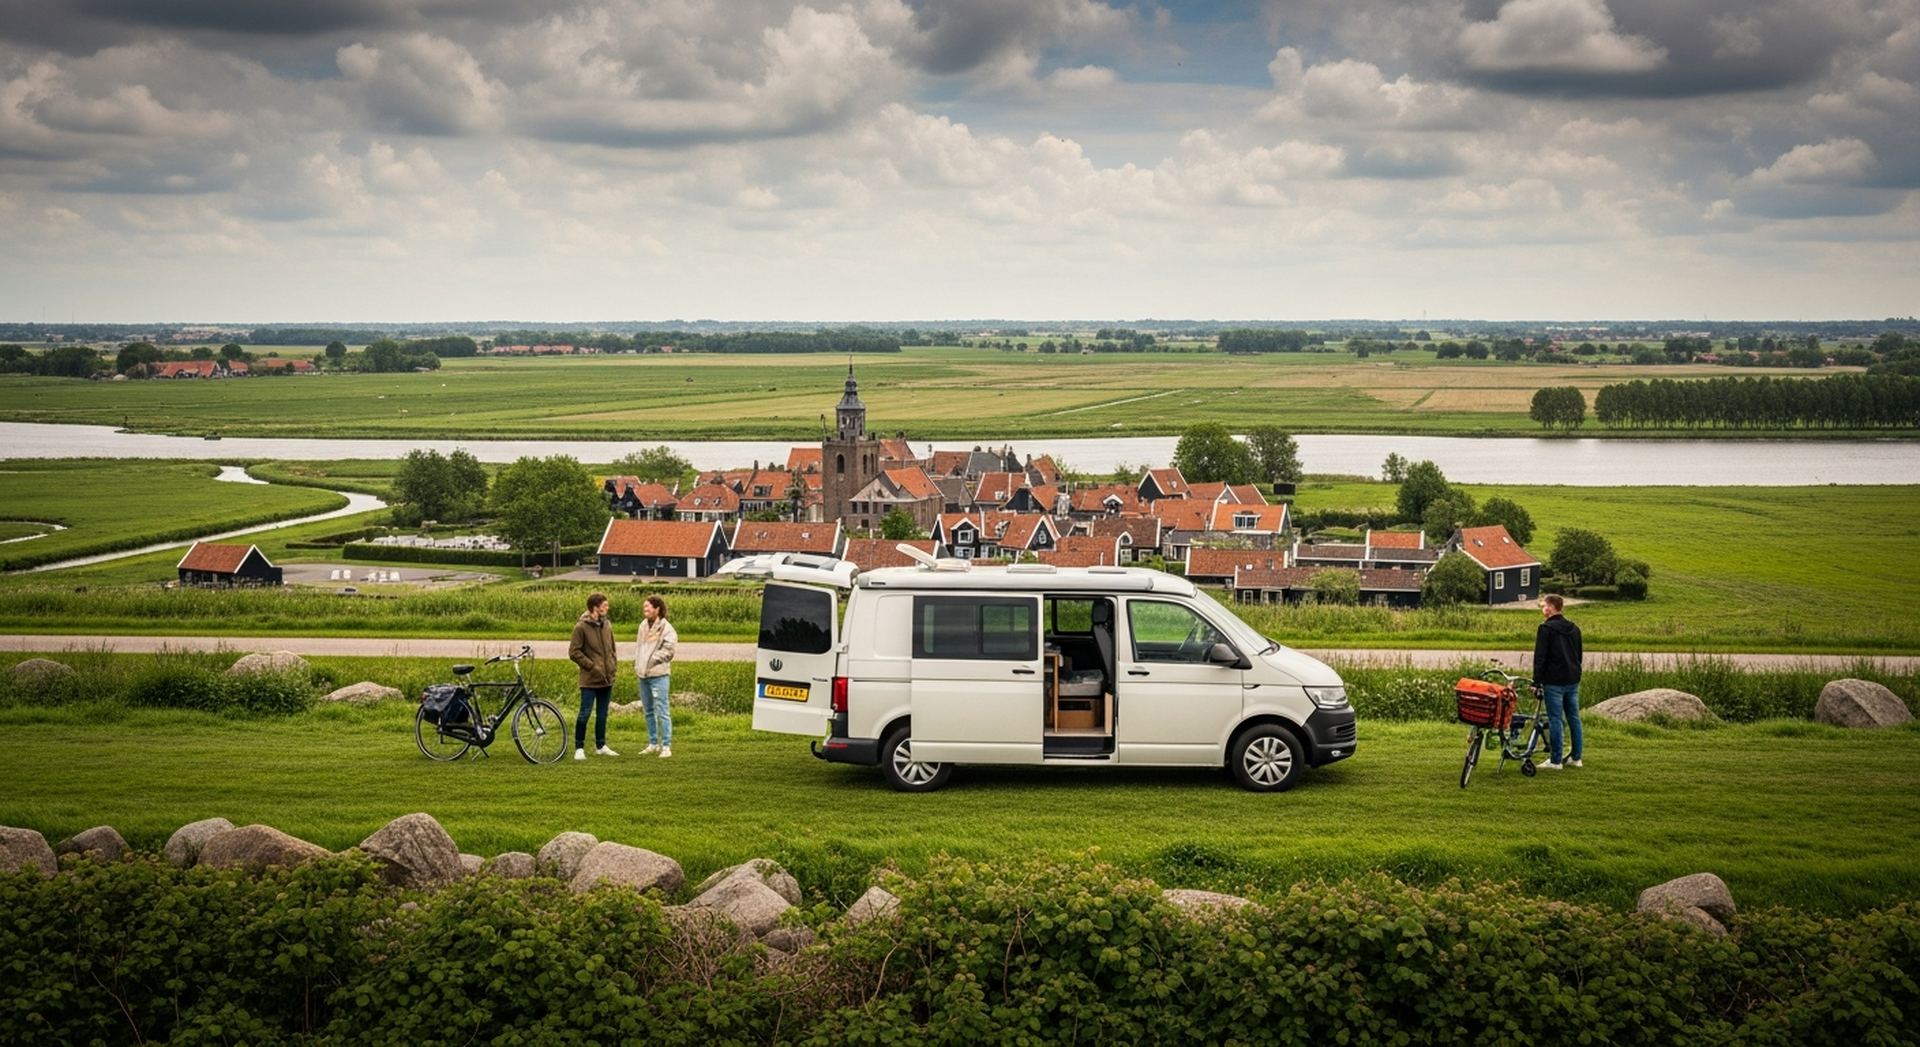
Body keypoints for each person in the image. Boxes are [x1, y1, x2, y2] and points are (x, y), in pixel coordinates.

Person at [1532, 593, 1583, 770]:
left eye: (1544, 606)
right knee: (1574, 718)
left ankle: (1555, 760)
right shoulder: (1574, 628)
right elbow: (1578, 655)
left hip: (1553, 680)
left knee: (1555, 719)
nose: (1542, 609)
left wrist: (1536, 682)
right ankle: (1576, 757)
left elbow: (1540, 658)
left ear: (1551, 608)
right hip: (1572, 678)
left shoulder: (1545, 629)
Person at [569, 592, 620, 761]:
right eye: (604, 605)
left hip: (607, 678)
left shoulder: (607, 625)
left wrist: (613, 666)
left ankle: (601, 745)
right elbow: (574, 652)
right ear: (595, 608)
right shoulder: (581, 627)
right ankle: (579, 748)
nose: (607, 608)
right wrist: (592, 666)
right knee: (584, 713)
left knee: (603, 714)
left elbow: (612, 649)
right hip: (589, 680)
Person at [637, 594, 678, 758]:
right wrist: (639, 665)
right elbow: (640, 648)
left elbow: (669, 651)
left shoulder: (667, 629)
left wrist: (651, 661)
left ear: (657, 609)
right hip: (643, 675)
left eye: (648, 607)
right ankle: (653, 743)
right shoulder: (642, 626)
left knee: (662, 710)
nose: (645, 610)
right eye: (644, 607)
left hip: (659, 675)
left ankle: (666, 745)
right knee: (648, 710)